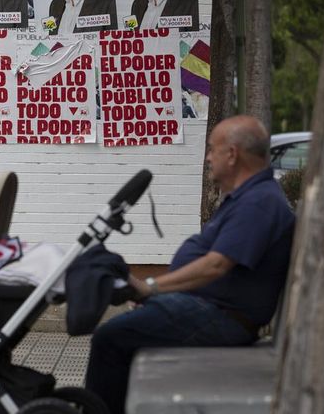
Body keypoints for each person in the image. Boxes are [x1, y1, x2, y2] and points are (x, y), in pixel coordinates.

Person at [85, 115, 295, 414]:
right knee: (124, 335)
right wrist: (162, 295)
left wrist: (150, 288)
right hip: (210, 310)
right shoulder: (250, 197)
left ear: (232, 155)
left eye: (212, 149)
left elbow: (215, 266)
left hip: (221, 318)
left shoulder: (259, 202)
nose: (208, 157)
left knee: (110, 338)